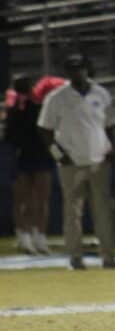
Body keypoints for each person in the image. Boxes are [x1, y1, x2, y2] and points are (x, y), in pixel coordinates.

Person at [37, 53, 115, 270]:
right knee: (73, 212)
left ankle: (108, 257)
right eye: (73, 69)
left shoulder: (101, 93)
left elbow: (111, 124)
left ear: (87, 69)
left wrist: (113, 147)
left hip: (98, 160)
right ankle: (75, 258)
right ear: (67, 72)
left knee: (103, 210)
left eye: (80, 68)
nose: (77, 73)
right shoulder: (57, 97)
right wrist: (58, 155)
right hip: (71, 163)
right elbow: (45, 130)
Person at [4, 75, 54, 254]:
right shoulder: (13, 109)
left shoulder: (41, 106)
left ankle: (39, 237)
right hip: (22, 156)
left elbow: (48, 131)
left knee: (41, 199)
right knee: (22, 199)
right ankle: (24, 237)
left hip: (40, 155)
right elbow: (8, 136)